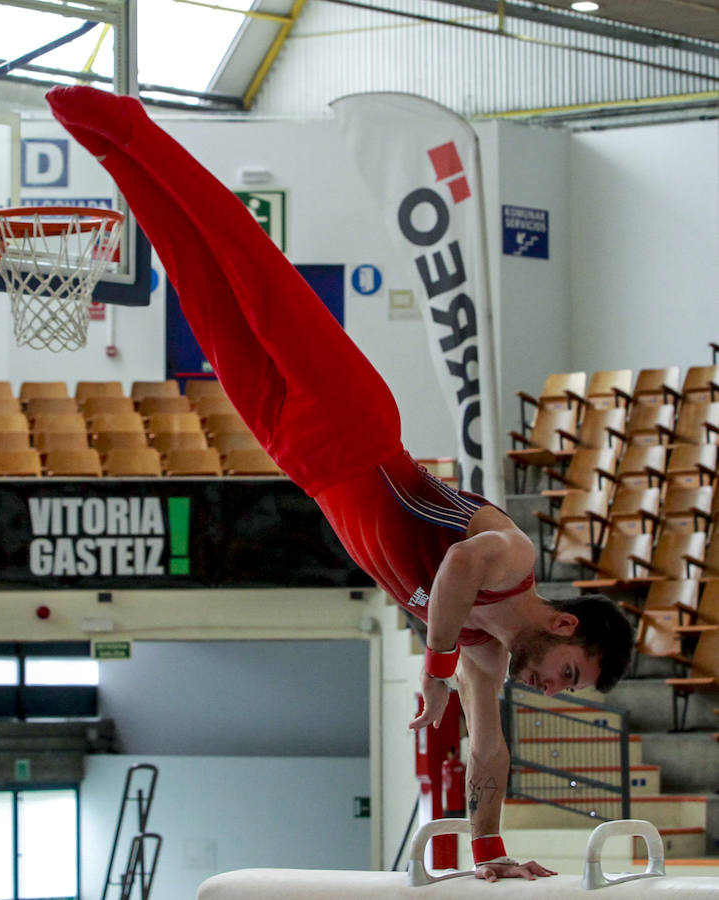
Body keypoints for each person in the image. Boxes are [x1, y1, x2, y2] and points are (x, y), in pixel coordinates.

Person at [45, 85, 634, 883]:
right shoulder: (511, 556)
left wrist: (489, 849)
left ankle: (111, 153)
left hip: (303, 459)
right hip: (355, 426)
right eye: (566, 675)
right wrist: (433, 677)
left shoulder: (486, 658)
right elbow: (454, 569)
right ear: (564, 628)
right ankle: (127, 126)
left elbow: (484, 750)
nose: (548, 686)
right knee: (245, 263)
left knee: (198, 285)